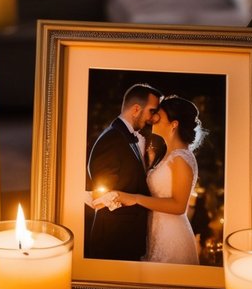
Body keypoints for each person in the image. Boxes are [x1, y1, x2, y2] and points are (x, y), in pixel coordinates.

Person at [110, 96, 204, 266]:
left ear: (174, 124)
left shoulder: (180, 158)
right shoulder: (168, 155)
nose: (153, 119)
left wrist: (135, 198)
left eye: (158, 115)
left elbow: (179, 206)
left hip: (172, 236)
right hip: (158, 231)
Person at [86, 83, 162, 261]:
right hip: (114, 241)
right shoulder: (112, 140)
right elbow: (104, 197)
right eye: (152, 110)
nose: (153, 118)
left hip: (125, 239)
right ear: (136, 109)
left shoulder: (123, 136)